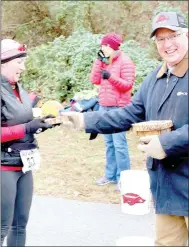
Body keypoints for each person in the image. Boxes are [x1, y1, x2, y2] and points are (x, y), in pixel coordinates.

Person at [60, 12, 188, 246]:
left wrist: (166, 144)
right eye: (160, 39)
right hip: (166, 186)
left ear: (187, 35)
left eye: (174, 35)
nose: (168, 44)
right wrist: (84, 121)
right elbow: (128, 115)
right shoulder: (154, 79)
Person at [1, 39, 54, 246]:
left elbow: (23, 120)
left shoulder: (18, 88)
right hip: (4, 166)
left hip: (24, 164)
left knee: (19, 225)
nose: (23, 67)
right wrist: (27, 128)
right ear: (3, 62)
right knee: (2, 226)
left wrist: (39, 125)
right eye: (19, 62)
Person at [90, 33, 136, 187]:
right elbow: (94, 80)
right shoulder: (104, 61)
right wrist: (98, 62)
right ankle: (110, 175)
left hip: (119, 108)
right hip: (104, 105)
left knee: (119, 144)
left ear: (112, 47)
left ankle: (124, 178)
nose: (102, 48)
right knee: (109, 143)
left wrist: (110, 77)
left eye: (104, 46)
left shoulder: (126, 62)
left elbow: (128, 85)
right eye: (102, 46)